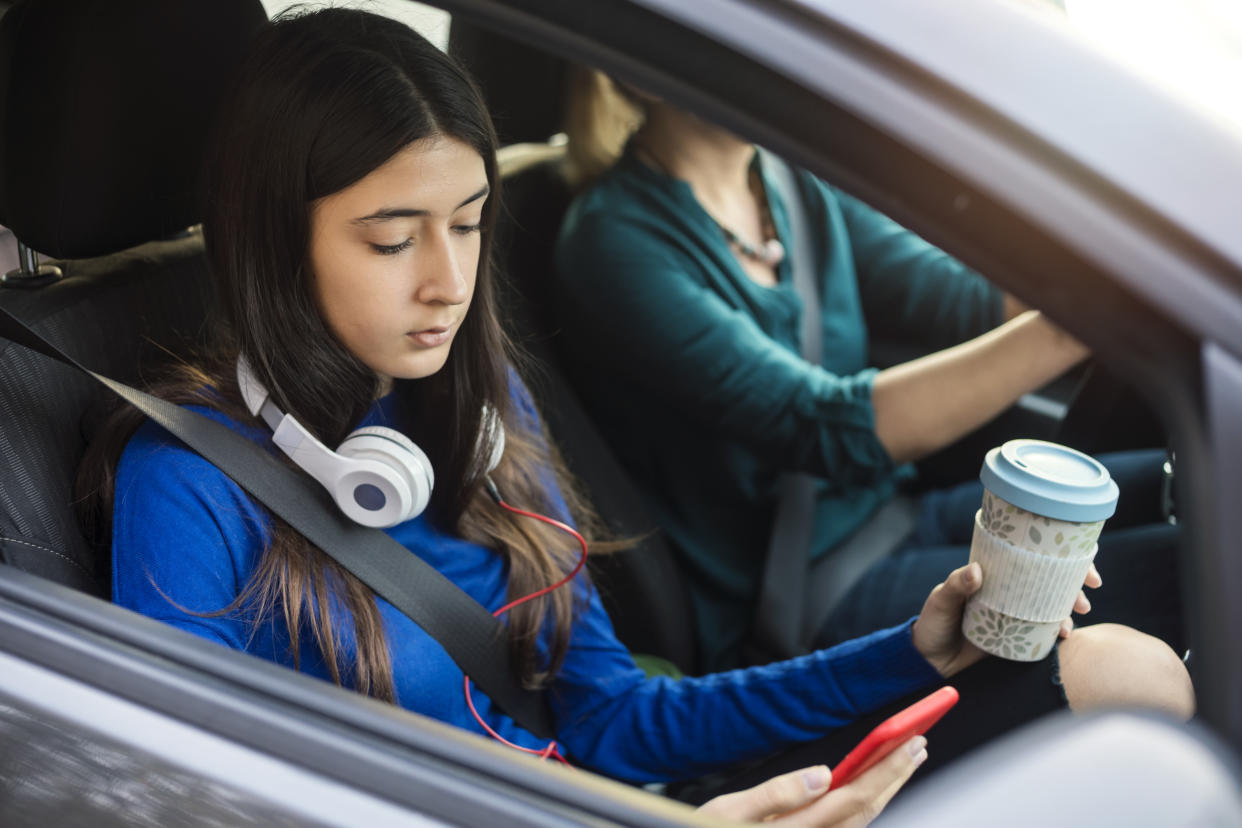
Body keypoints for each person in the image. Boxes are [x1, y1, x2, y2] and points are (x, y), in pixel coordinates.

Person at [77, 10, 1192, 825]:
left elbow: (615, 720)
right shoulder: (190, 482)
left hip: (635, 795)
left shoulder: (475, 405)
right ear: (276, 240)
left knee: (1135, 676)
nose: (446, 281)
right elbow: (184, 799)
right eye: (390, 237)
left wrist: (910, 651)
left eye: (468, 224)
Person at [553, 72, 1184, 672]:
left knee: (1177, 493)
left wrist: (1115, 263)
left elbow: (953, 298)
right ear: (640, 76)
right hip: (803, 591)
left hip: (896, 516)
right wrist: (1072, 326)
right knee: (1183, 568)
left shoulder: (787, 182)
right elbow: (824, 425)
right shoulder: (615, 242)